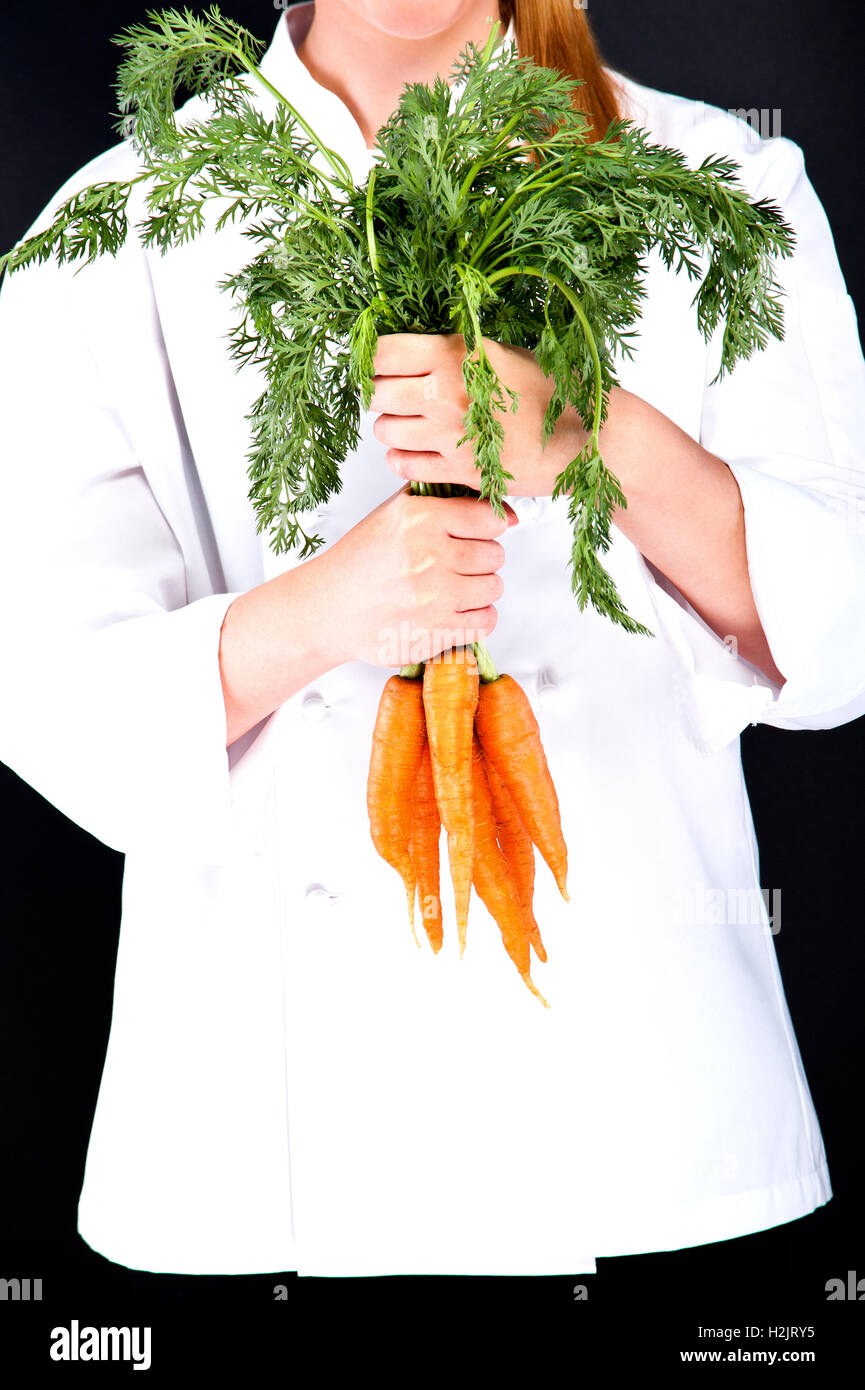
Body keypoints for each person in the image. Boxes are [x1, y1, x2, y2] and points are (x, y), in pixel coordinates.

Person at [0, 0, 863, 1279]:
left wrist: (591, 433)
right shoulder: (115, 232)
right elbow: (51, 697)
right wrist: (332, 608)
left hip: (653, 1150)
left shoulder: (723, 182)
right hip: (261, 1179)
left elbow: (843, 629)